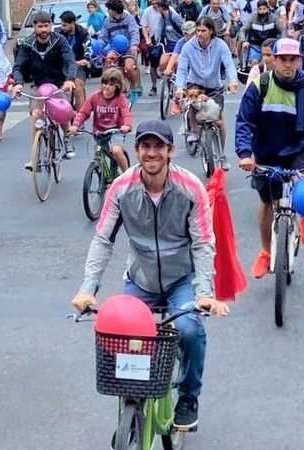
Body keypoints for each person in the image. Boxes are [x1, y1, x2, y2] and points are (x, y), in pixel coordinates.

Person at [71, 119, 229, 428]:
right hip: (140, 279)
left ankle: (188, 396)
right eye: (146, 146)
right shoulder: (121, 187)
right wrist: (87, 288)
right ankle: (133, 404)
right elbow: (103, 239)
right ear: (137, 150)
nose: (152, 153)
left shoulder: (190, 187)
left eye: (159, 147)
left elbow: (203, 243)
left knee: (188, 329)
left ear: (171, 151)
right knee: (124, 337)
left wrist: (204, 293)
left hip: (181, 279)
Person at [235, 38, 304, 278]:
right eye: (283, 59)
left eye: (293, 59)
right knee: (267, 202)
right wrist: (245, 154)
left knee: (303, 183)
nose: (287, 65)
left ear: (299, 61)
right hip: (267, 149)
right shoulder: (260, 85)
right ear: (274, 60)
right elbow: (244, 122)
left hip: (298, 148)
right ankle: (266, 252)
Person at [11, 11, 77, 170]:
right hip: (38, 85)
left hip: (58, 84)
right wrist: (18, 83)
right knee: (36, 116)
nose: (43, 30)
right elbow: (18, 65)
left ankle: (67, 138)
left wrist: (69, 79)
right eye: (40, 26)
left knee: (62, 110)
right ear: (34, 27)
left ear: (51, 26)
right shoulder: (27, 44)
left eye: (46, 26)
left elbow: (70, 60)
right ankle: (35, 158)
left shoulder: (60, 41)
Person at [176, 16, 238, 163]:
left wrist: (233, 81)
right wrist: (179, 87)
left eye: (203, 30)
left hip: (214, 86)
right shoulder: (188, 47)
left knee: (219, 121)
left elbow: (229, 64)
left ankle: (221, 155)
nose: (199, 34)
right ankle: (192, 130)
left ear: (211, 31)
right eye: (197, 30)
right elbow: (182, 69)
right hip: (194, 84)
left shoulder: (220, 45)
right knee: (193, 106)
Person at [70, 69, 132, 172]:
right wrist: (76, 125)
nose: (106, 86)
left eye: (111, 84)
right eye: (104, 83)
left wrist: (127, 125)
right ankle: (105, 178)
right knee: (100, 154)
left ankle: (127, 176)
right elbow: (83, 113)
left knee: (116, 150)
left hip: (116, 132)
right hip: (99, 132)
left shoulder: (120, 99)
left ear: (117, 86)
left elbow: (126, 114)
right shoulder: (95, 97)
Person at [101, 0, 143, 95]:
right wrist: (99, 45)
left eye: (109, 9)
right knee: (109, 62)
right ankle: (112, 85)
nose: (108, 11)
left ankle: (135, 85)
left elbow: (134, 32)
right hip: (114, 48)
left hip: (128, 47)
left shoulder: (129, 18)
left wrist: (134, 45)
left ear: (115, 11)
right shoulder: (107, 21)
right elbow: (103, 37)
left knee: (129, 67)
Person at [143, 0, 184, 96]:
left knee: (177, 63)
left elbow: (183, 28)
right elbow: (159, 29)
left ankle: (180, 85)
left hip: (178, 44)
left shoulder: (174, 16)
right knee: (164, 63)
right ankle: (169, 86)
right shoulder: (162, 17)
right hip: (168, 44)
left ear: (161, 7)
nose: (156, 9)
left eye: (157, 6)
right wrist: (155, 41)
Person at [58, 11, 91, 112]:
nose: (62, 27)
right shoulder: (60, 34)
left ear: (72, 23)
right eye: (62, 25)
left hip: (79, 64)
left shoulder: (83, 33)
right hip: (65, 65)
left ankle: (80, 119)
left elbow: (88, 48)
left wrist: (86, 59)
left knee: (78, 85)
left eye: (65, 25)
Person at [241, 0, 282, 67]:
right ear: (257, 10)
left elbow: (282, 30)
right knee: (254, 62)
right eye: (260, 9)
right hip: (255, 45)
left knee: (268, 63)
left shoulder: (274, 18)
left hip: (270, 46)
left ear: (268, 9)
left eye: (264, 9)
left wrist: (281, 42)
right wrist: (244, 41)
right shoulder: (252, 18)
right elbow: (243, 30)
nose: (262, 11)